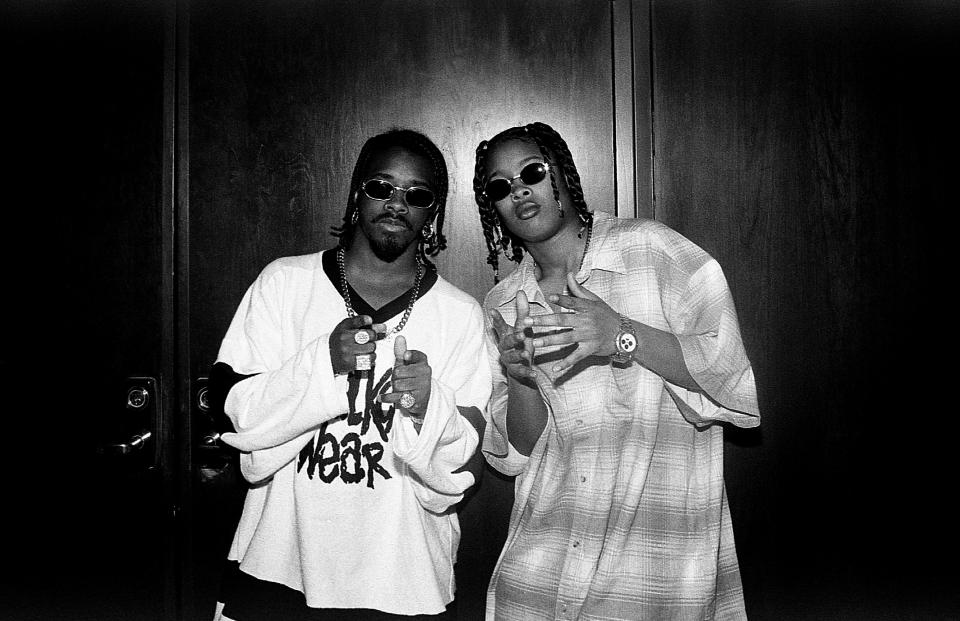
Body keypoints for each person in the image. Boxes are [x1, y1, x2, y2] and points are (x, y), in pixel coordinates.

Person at [472, 122, 760, 620]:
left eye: (532, 172)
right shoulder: (504, 303)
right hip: (544, 570)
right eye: (500, 186)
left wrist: (622, 335)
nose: (518, 189)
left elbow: (731, 379)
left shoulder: (653, 252)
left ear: (562, 175)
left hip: (653, 570)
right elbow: (515, 453)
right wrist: (520, 380)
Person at [210, 128, 490, 620]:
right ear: (357, 192)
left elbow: (462, 472)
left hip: (402, 579)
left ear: (433, 213)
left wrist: (431, 407)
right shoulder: (284, 283)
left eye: (417, 195)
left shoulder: (461, 313)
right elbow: (237, 419)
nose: (397, 204)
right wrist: (324, 363)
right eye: (382, 187)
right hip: (280, 564)